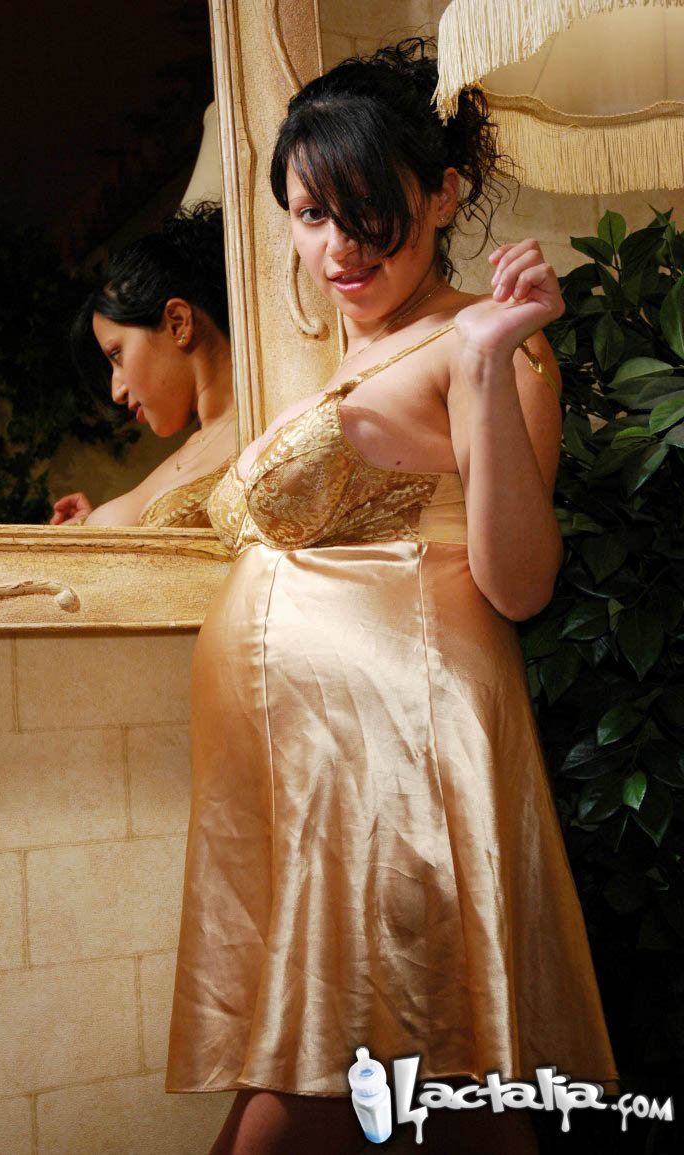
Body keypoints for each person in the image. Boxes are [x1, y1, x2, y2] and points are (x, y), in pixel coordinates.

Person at [165, 40, 619, 1154]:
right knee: (414, 1092)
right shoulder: (350, 359)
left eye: (371, 210)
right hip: (322, 773)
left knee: (334, 1091)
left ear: (442, 193)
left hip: (402, 756)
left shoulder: (481, 341)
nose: (343, 246)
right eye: (313, 214)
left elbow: (519, 583)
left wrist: (488, 361)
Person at [50, 203, 236, 528]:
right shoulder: (202, 443)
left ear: (178, 323)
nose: (117, 391)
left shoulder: (265, 434)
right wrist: (90, 528)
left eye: (116, 355)